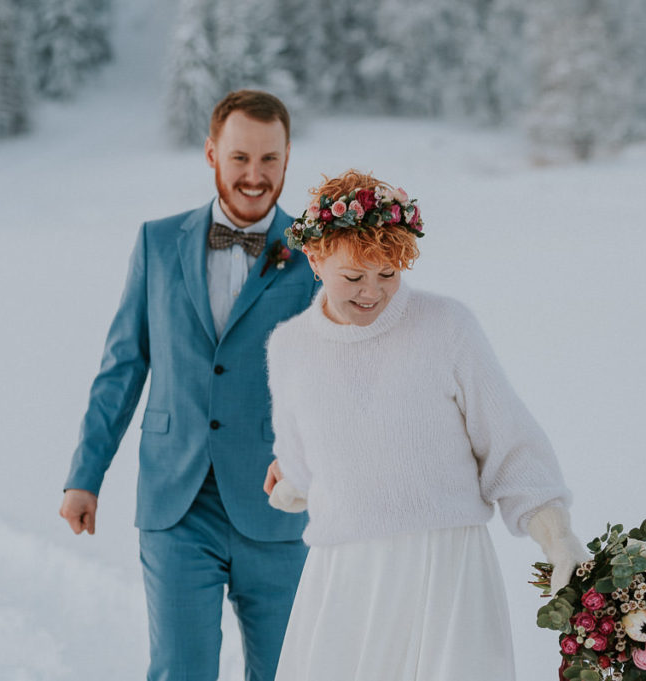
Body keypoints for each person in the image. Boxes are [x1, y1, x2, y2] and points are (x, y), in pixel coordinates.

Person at [262, 169, 590, 681]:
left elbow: (509, 443)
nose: (372, 291)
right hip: (347, 581)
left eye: (388, 274)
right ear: (315, 258)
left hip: (448, 572)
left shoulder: (447, 328)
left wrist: (556, 533)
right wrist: (289, 481)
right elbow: (302, 466)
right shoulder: (288, 348)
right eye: (354, 277)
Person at [59, 90, 318, 681]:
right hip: (178, 503)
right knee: (182, 671)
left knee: (289, 672)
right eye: (240, 158)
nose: (255, 176)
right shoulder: (157, 242)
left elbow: (342, 377)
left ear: (287, 158)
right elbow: (123, 367)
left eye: (270, 159)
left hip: (278, 501)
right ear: (210, 153)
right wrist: (84, 476)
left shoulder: (316, 255)